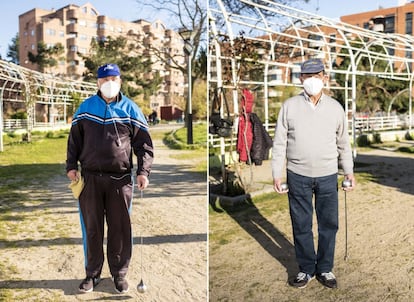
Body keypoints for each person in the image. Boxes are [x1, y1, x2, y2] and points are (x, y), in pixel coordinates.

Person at [66, 63, 154, 294]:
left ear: (120, 81)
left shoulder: (131, 109)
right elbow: (74, 140)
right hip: (90, 179)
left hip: (121, 180)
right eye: (104, 79)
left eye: (113, 78)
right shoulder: (85, 108)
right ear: (97, 82)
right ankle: (92, 274)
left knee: (119, 228)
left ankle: (119, 274)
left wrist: (143, 172)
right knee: (92, 228)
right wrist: (70, 166)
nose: (109, 83)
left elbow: (144, 145)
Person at [271, 58, 355, 289]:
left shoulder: (336, 108)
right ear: (301, 79)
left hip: (328, 175)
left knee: (329, 224)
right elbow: (279, 144)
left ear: (324, 78)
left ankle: (325, 268)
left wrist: (348, 172)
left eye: (317, 75)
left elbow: (343, 144)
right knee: (301, 224)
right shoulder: (289, 106)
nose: (312, 80)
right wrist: (277, 174)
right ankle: (306, 269)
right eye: (307, 76)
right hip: (297, 175)